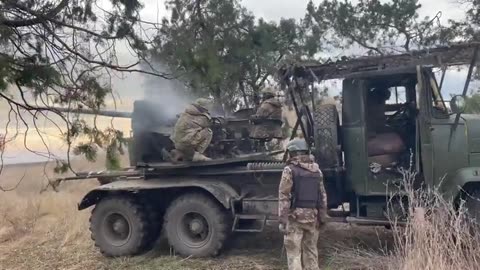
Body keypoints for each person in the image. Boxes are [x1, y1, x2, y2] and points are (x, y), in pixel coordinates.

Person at [279, 138, 328, 270]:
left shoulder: (289, 170)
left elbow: (284, 196)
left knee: (294, 254)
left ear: (292, 153)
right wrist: (322, 218)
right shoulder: (317, 171)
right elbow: (322, 196)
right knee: (311, 252)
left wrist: (282, 220)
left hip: (295, 218)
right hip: (313, 217)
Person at [170, 98, 214, 162]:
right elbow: (208, 123)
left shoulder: (185, 112)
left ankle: (182, 153)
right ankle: (198, 155)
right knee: (208, 131)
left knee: (190, 133)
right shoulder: (202, 117)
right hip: (186, 143)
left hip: (176, 142)